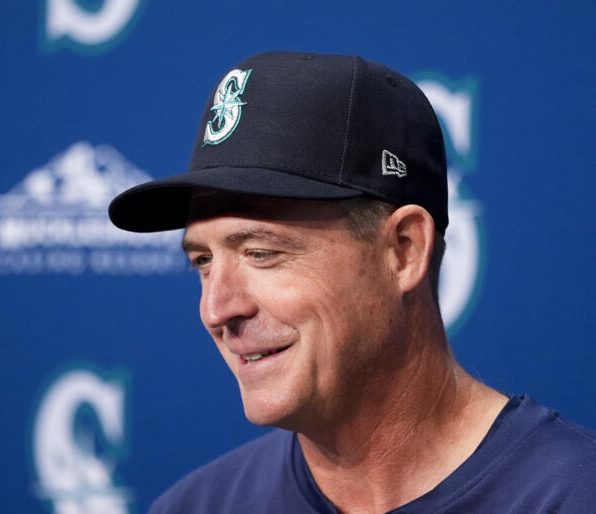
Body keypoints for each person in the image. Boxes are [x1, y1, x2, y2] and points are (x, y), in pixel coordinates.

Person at [108, 52, 596, 513]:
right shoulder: (197, 506)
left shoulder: (571, 495)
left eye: (261, 253)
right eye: (204, 262)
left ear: (404, 250)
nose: (218, 310)